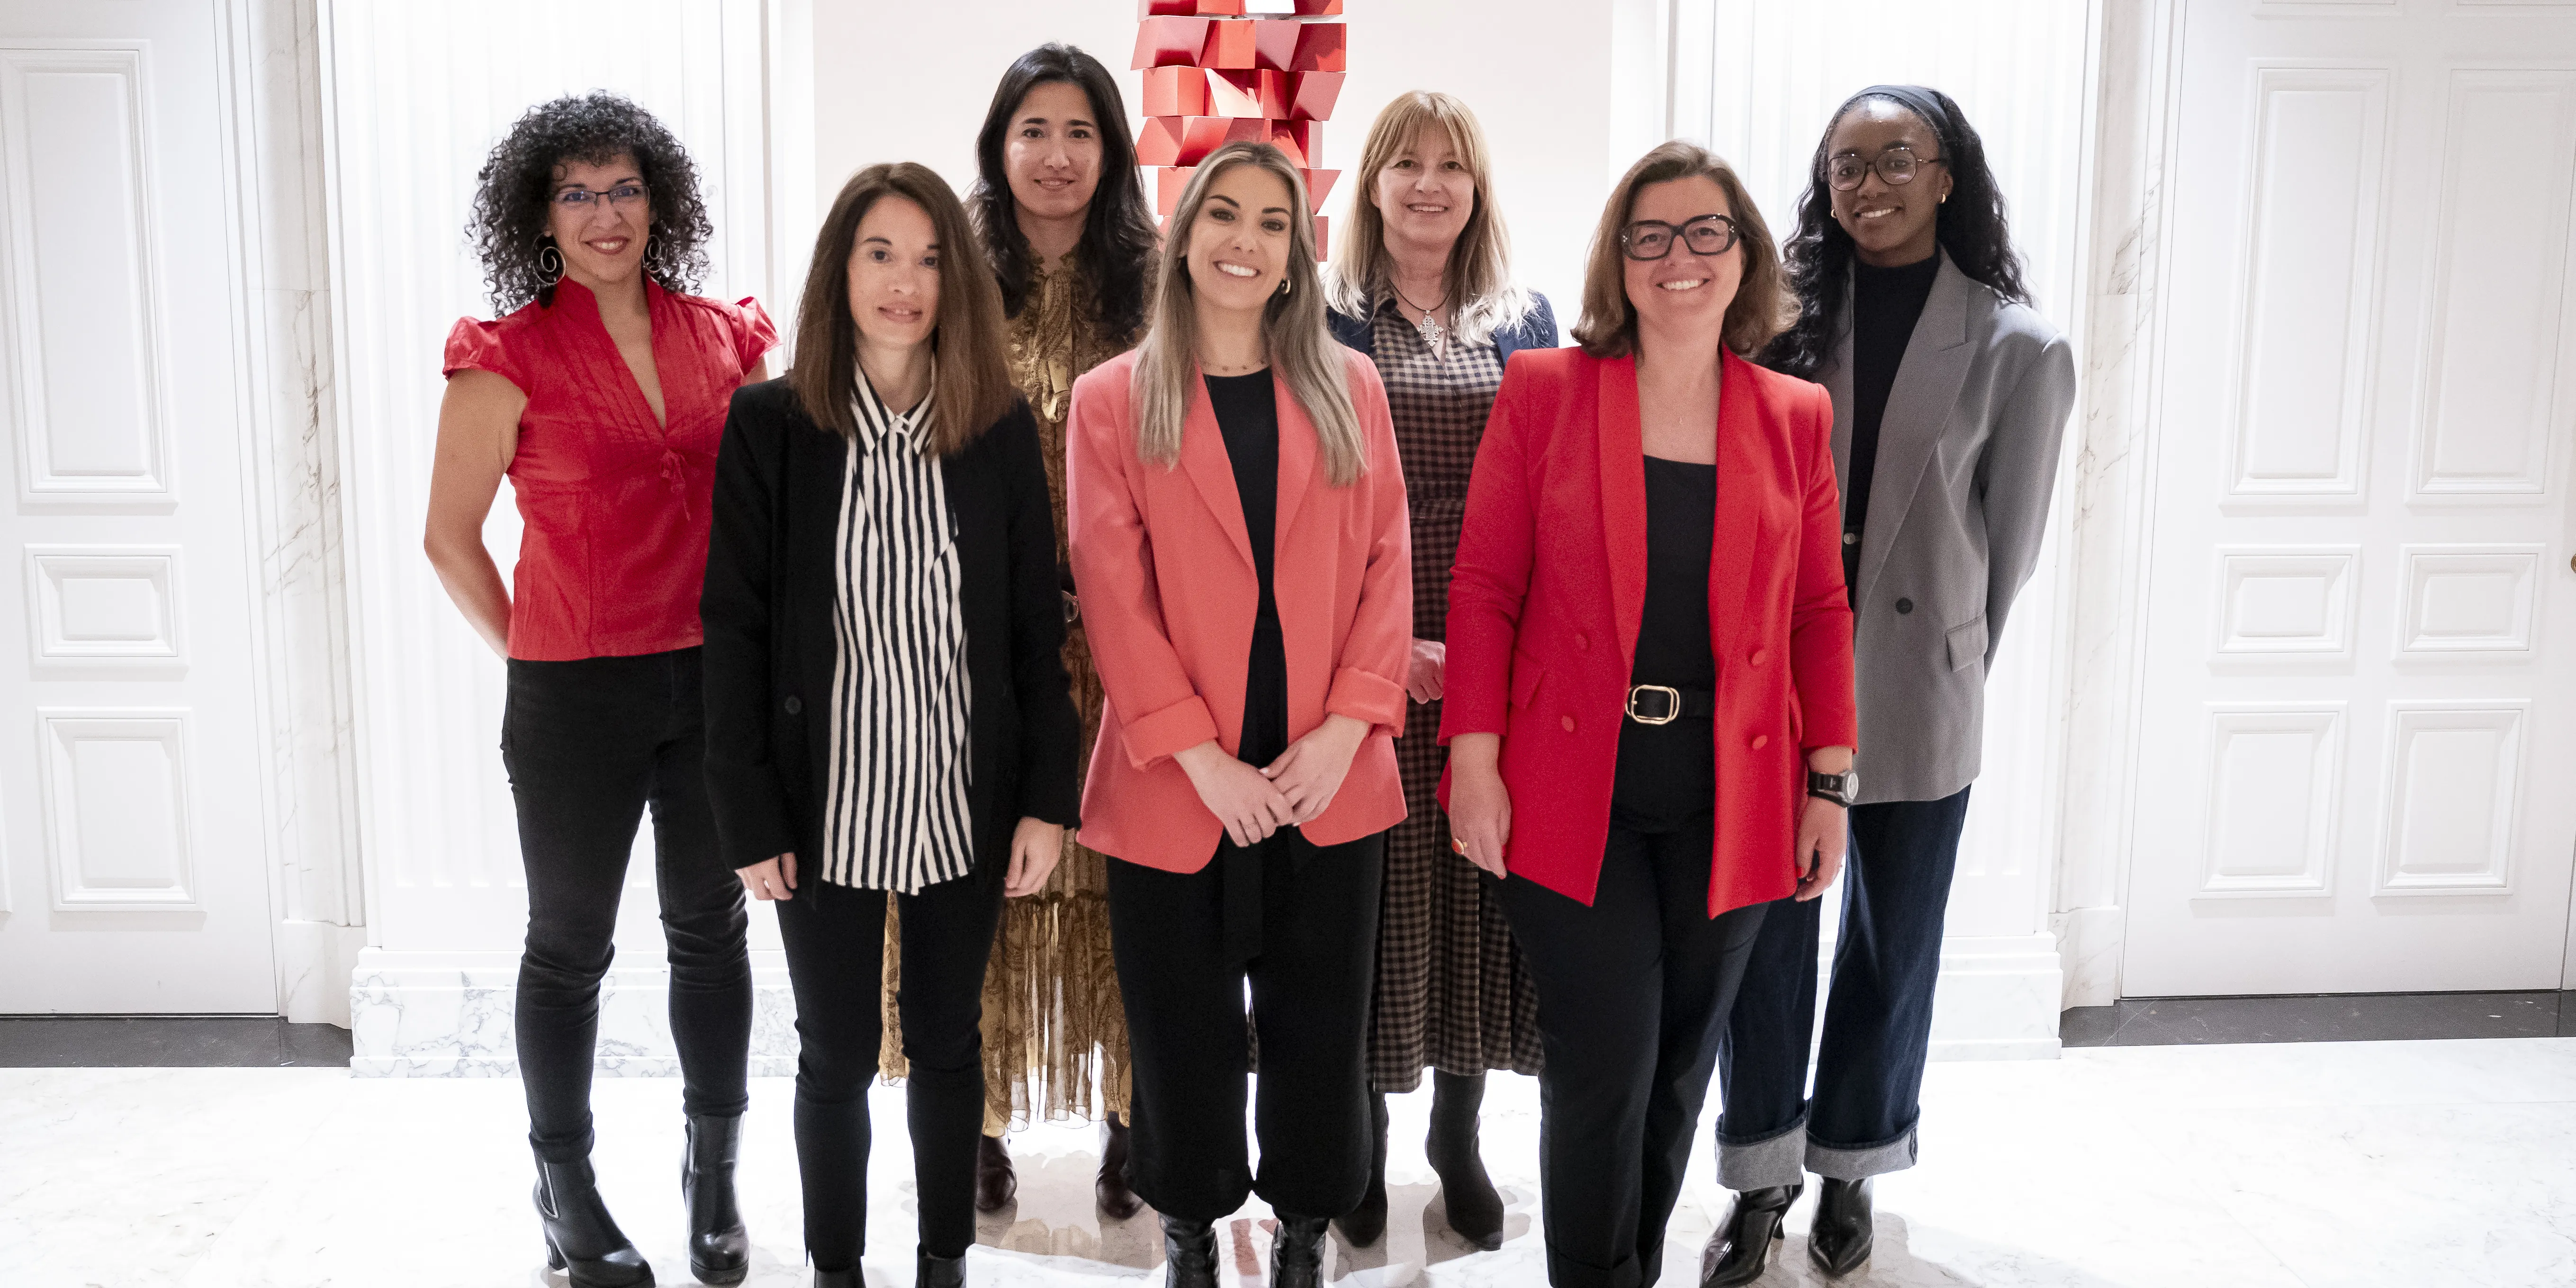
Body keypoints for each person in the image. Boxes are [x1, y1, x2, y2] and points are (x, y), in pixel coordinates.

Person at [1441, 140, 1858, 1288]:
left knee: (1680, 1069)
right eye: (1651, 235)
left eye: (1705, 232)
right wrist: (1471, 764)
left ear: (1744, 255)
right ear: (1619, 261)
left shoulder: (1794, 415)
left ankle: (1633, 1266)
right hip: (1574, 789)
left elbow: (1822, 607)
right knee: (1604, 1066)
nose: (1680, 258)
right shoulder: (1547, 393)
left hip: (1736, 792)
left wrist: (1831, 781)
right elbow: (1483, 586)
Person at [1706, 86, 2076, 1284]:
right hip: (1780, 662)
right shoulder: (1784, 319)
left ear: (1948, 174)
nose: (1868, 187)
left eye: (1894, 161)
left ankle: (1852, 1165)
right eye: (1845, 168)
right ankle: (1760, 1178)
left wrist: (1951, 653)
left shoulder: (2020, 347)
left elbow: (2004, 548)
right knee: (1766, 933)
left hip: (1920, 667)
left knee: (1892, 937)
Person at [699, 162, 1082, 1288]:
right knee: (834, 1055)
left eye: (927, 258)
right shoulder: (770, 425)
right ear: (841, 272)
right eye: (880, 253)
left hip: (962, 799)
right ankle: (835, 1268)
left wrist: (1044, 802)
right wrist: (747, 810)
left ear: (954, 283)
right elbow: (732, 625)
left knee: (950, 1043)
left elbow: (1031, 632)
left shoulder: (996, 429)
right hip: (823, 808)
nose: (904, 282)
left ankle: (943, 1260)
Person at [426, 92, 770, 1288]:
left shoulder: (726, 336)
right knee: (568, 946)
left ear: (659, 200)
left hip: (711, 682)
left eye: (624, 188)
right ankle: (564, 1189)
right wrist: (537, 648)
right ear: (540, 214)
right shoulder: (505, 354)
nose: (604, 213)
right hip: (574, 692)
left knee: (709, 933)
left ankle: (712, 1176)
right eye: (576, 193)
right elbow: (450, 538)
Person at [1066, 141, 1411, 1288]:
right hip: (1178, 779)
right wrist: (1199, 755)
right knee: (1182, 1034)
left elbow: (1385, 567)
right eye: (1223, 213)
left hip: (1327, 773)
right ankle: (1189, 1226)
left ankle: (1307, 1228)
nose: (1245, 241)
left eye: (1273, 220)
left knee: (1321, 1031)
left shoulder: (1348, 384)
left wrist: (1349, 726)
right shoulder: (1111, 399)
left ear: (1298, 249)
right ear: (1182, 229)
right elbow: (1110, 594)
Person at [874, 42, 1160, 1220]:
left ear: (1112, 151)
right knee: (975, 875)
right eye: (1032, 130)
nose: (1056, 155)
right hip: (973, 643)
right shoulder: (951, 285)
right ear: (997, 146)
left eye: (1080, 131)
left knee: (1134, 880)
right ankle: (975, 1116)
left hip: (1135, 638)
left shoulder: (1157, 285)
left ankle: (1136, 1120)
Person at [1320, 89, 1555, 1252]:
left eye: (1450, 164)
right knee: (1369, 908)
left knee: (1477, 897)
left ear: (1476, 187)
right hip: (1361, 651)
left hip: (1496, 654)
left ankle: (1456, 1140)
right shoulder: (1317, 314)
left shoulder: (1526, 316)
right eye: (1403, 163)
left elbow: (1555, 499)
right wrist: (1385, 639)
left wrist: (1493, 653)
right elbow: (1304, 509)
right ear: (1369, 185)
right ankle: (1357, 1141)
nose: (1427, 183)